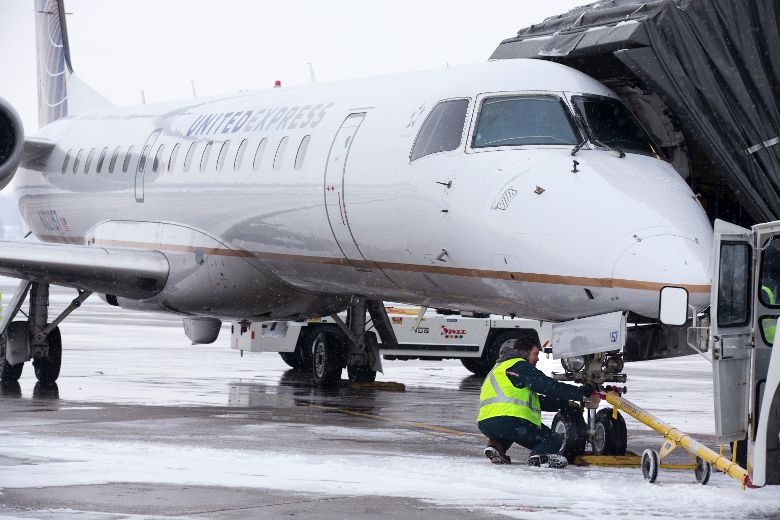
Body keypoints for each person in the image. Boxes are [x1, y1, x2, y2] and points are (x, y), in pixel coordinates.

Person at [477, 336, 597, 468]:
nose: (538, 358)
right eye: (535, 354)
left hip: (487, 423)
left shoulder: (497, 369)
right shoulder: (519, 365)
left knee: (507, 432)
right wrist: (581, 392)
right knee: (553, 439)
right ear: (524, 353)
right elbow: (548, 386)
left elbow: (533, 401)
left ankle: (496, 447)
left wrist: (564, 403)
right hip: (508, 419)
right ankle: (539, 456)